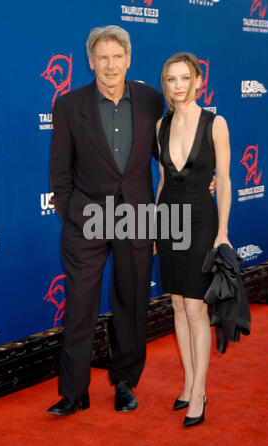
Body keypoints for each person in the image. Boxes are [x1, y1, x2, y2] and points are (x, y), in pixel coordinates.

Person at [48, 26, 215, 417]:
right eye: (102, 58)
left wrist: (199, 179)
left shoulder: (151, 100)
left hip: (137, 217)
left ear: (128, 59)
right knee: (80, 308)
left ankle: (125, 382)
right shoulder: (70, 106)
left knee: (132, 304)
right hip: (87, 219)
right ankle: (74, 392)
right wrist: (74, 215)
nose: (110, 65)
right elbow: (59, 173)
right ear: (91, 62)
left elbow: (176, 147)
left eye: (117, 56)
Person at [155, 52, 231, 427]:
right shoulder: (161, 127)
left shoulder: (215, 124)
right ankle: (188, 383)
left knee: (197, 308)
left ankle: (199, 391)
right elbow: (164, 181)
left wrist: (223, 233)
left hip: (201, 220)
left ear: (199, 80)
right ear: (165, 84)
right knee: (178, 307)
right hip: (169, 221)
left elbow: (227, 180)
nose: (178, 86)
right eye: (171, 79)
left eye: (185, 78)